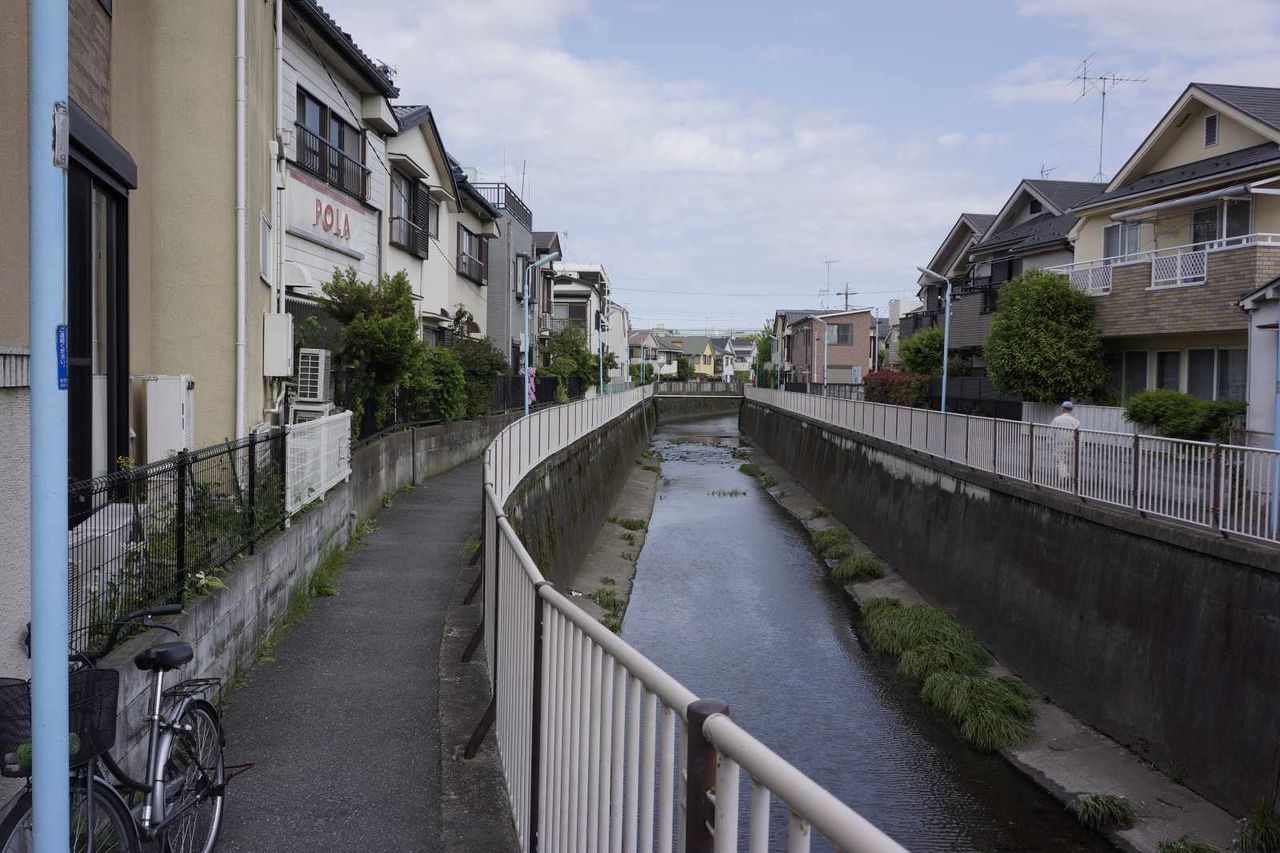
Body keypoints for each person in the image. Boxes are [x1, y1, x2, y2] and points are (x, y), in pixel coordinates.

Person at [1051, 400, 1081, 483]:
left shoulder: (1056, 419)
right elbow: (1079, 434)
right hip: (1072, 444)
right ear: (1071, 410)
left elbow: (1051, 432)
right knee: (1068, 462)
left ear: (1062, 409)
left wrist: (1049, 442)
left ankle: (1064, 477)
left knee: (1061, 461)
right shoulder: (1076, 421)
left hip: (1059, 444)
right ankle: (1067, 476)